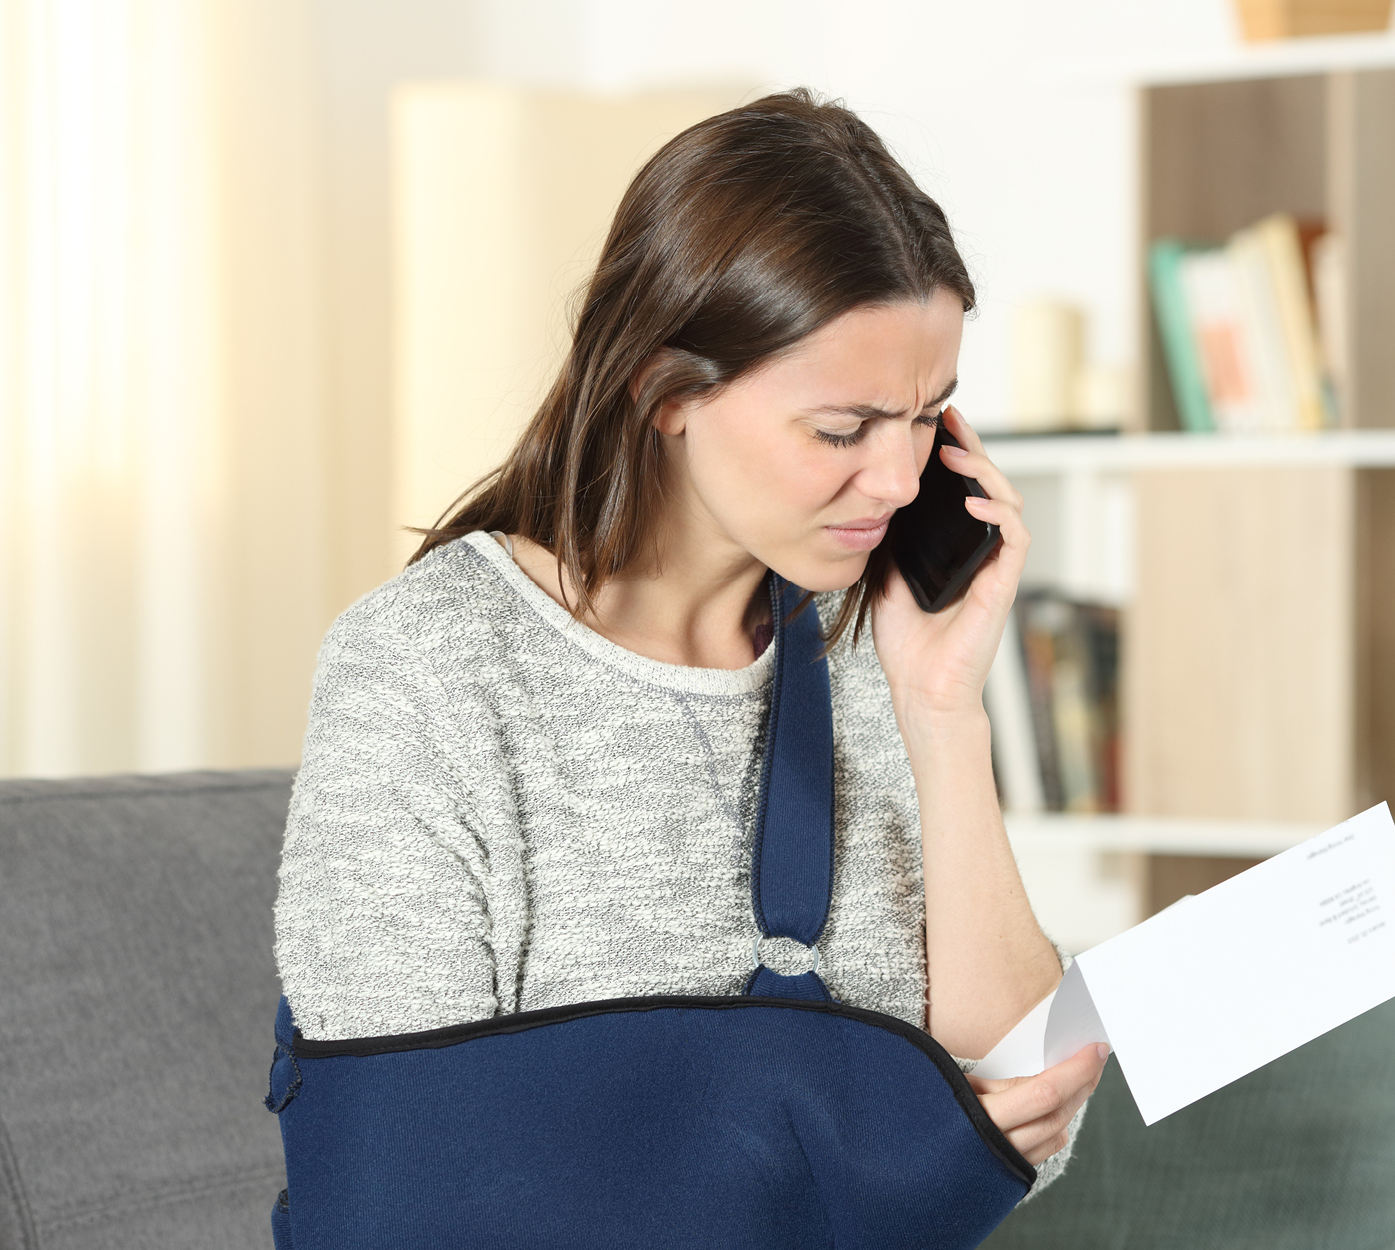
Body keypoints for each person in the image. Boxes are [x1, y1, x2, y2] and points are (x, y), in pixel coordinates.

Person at [272, 88, 1104, 1207]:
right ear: (668, 392)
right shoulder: (426, 670)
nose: (903, 480)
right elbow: (419, 1178)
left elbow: (1023, 1125)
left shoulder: (872, 650)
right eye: (843, 429)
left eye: (928, 416)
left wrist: (945, 709)